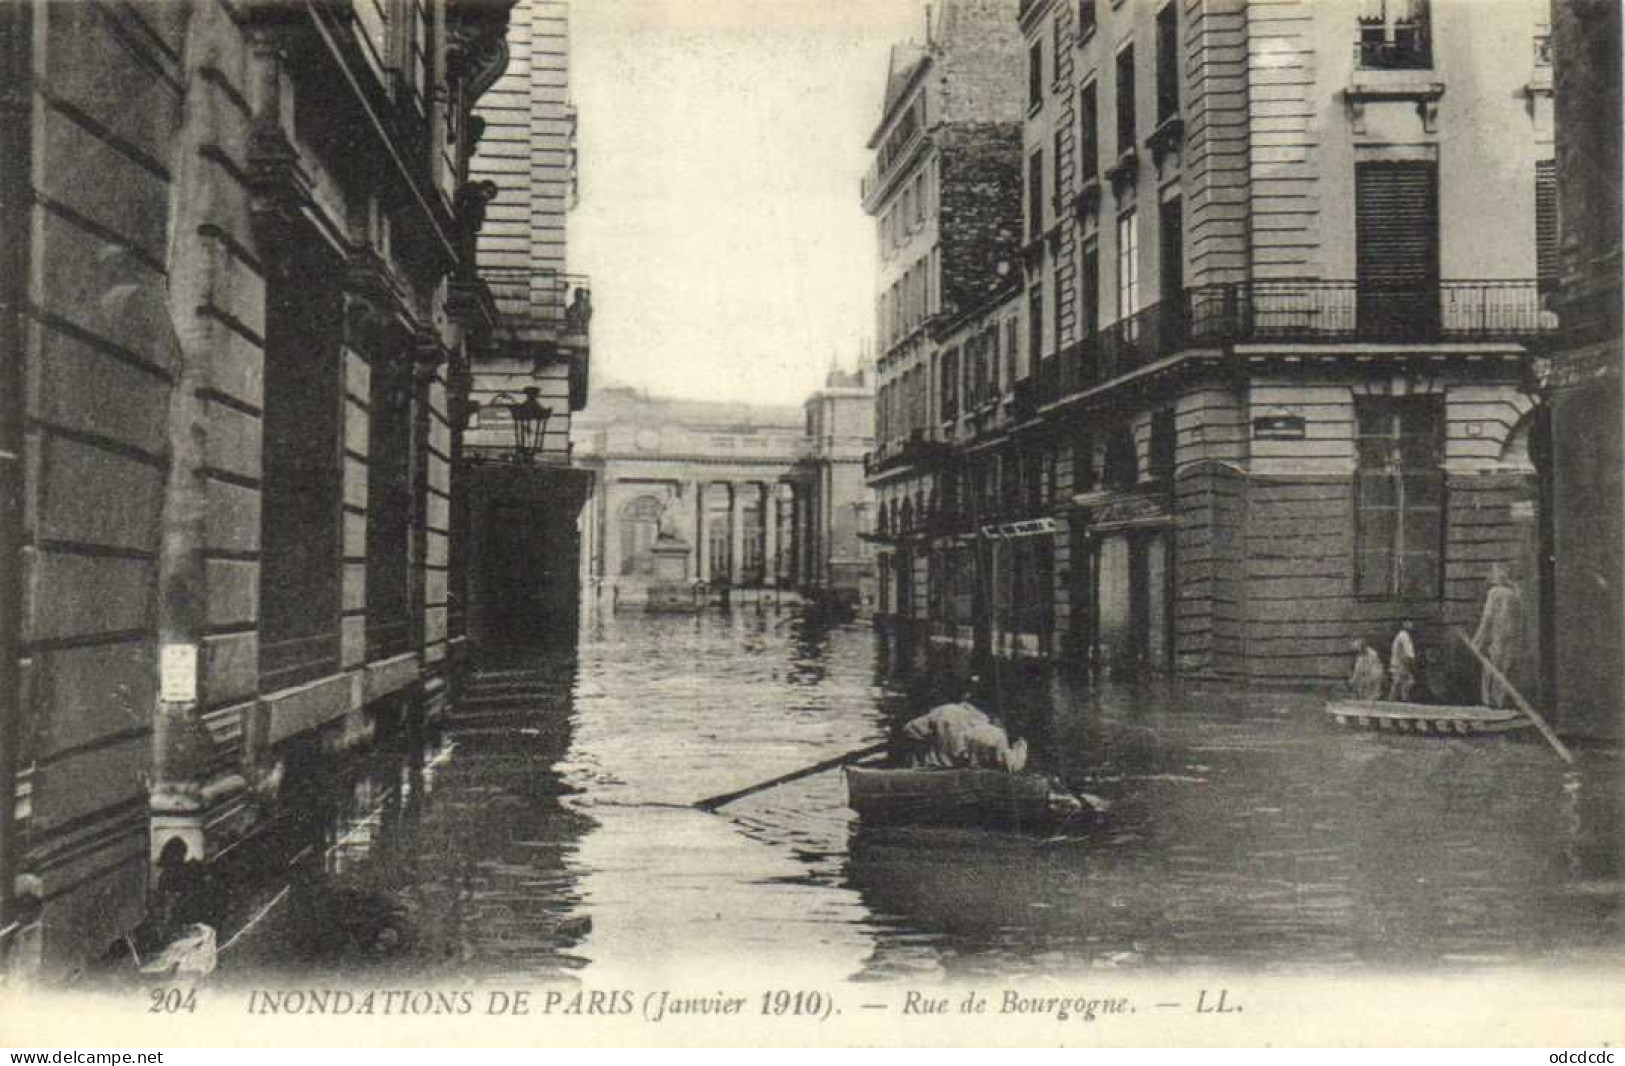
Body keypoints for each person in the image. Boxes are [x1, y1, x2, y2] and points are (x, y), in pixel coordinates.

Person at [901, 679, 1028, 773]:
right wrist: (1021, 746)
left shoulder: (947, 710)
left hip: (934, 771)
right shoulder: (994, 732)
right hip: (957, 773)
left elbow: (910, 729)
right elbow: (1009, 766)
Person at [1472, 563, 1524, 709]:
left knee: (1492, 667)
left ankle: (1490, 702)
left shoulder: (1495, 592)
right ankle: (1502, 701)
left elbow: (1487, 617)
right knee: (1506, 667)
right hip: (1511, 636)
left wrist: (1478, 640)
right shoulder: (1516, 594)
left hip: (1497, 635)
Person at [1387, 620, 1417, 702]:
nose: (1411, 625)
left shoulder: (1400, 636)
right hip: (1401, 664)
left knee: (1400, 682)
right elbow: (1408, 652)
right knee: (1407, 682)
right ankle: (1397, 700)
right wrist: (1411, 663)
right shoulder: (1404, 636)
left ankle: (1399, 699)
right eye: (1408, 623)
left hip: (1398, 663)